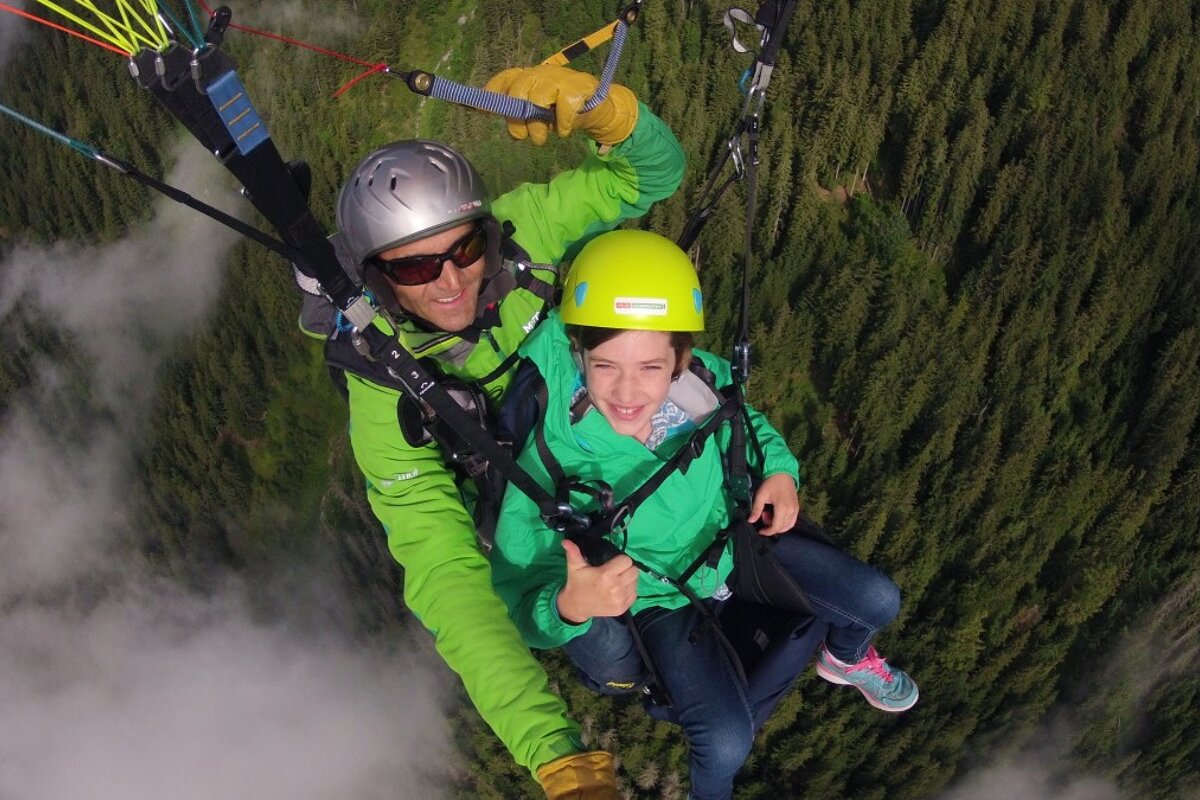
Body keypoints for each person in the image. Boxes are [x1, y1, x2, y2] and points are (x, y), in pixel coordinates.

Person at [296, 67, 686, 798]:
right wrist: (557, 757)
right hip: (533, 525)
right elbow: (447, 578)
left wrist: (611, 113)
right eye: (415, 265)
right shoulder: (382, 384)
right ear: (376, 276)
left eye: (464, 251)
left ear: (484, 232)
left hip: (603, 454)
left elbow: (650, 176)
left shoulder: (523, 233)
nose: (450, 282)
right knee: (615, 657)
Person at [490, 230, 918, 800]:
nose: (626, 391)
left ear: (679, 360)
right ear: (578, 353)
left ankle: (846, 659)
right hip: (657, 598)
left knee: (879, 601)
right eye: (605, 365)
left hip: (730, 543)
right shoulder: (551, 451)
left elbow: (748, 426)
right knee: (723, 745)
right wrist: (570, 606)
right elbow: (519, 593)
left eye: (649, 367)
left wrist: (782, 473)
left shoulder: (697, 385)